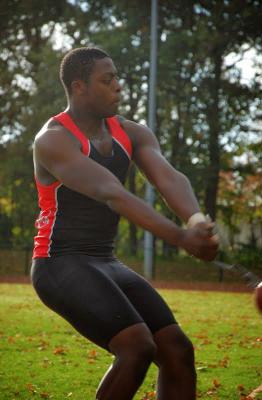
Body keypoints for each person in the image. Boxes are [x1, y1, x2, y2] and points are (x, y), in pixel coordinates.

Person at [31, 47, 219, 400]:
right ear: (79, 87)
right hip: (59, 263)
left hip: (107, 262)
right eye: (108, 80)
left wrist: (197, 222)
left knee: (177, 350)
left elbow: (169, 178)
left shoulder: (132, 133)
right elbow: (110, 192)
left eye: (118, 78)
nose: (119, 87)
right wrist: (180, 237)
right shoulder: (54, 139)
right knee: (136, 347)